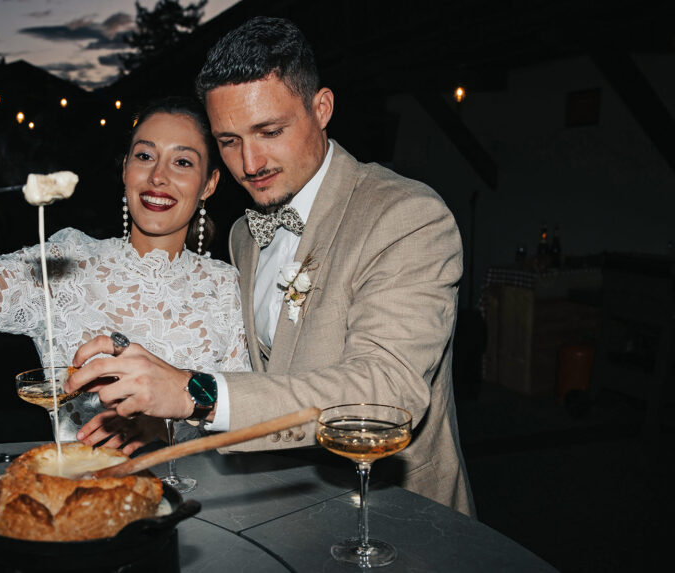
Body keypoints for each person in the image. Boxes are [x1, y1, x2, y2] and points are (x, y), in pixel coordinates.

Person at [66, 17, 475, 516]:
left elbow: (385, 390)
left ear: (321, 108)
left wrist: (194, 393)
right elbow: (271, 381)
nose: (250, 162)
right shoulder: (244, 233)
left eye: (270, 131)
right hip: (287, 511)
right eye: (229, 141)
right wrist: (171, 421)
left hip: (392, 515)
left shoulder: (406, 216)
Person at [0, 97, 250, 448]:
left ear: (210, 184)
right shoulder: (68, 261)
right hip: (84, 497)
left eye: (182, 162)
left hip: (206, 501)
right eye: (144, 155)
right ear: (125, 170)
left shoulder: (228, 287)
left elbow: (249, 417)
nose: (158, 176)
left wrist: (172, 428)